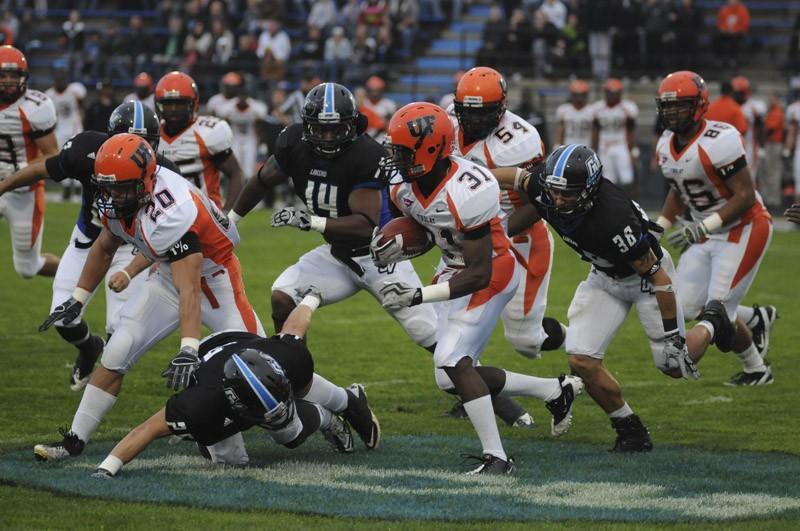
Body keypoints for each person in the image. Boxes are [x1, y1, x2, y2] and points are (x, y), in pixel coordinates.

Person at [373, 102, 583, 474]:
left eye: (403, 152)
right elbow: (418, 225)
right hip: (453, 267)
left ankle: (498, 458)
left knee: (452, 359)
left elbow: (478, 272)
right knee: (447, 375)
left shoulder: (468, 190)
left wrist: (418, 294)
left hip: (493, 273)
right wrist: (391, 241)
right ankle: (554, 390)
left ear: (431, 149)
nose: (396, 159)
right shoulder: (403, 185)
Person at [33, 133, 264, 462]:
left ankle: (334, 407)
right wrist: (78, 299)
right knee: (117, 351)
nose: (114, 195)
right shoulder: (122, 198)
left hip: (214, 280)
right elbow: (105, 246)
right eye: (108, 186)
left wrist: (188, 348)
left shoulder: (173, 210)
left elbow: (191, 289)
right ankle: (73, 441)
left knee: (265, 367)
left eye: (122, 187)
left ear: (146, 180)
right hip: (168, 274)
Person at [493, 144, 694, 452]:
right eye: (554, 191)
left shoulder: (612, 219)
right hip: (603, 276)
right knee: (581, 359)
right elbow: (511, 177)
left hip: (643, 280)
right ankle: (629, 429)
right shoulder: (547, 186)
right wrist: (466, 180)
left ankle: (713, 324)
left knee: (673, 365)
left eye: (568, 194)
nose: (558, 200)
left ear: (589, 189)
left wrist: (673, 336)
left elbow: (660, 280)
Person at [229, 83, 438, 354]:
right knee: (283, 296)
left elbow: (366, 225)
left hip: (381, 256)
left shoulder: (365, 154)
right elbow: (261, 180)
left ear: (351, 126)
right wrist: (231, 221)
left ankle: (485, 389)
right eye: (320, 129)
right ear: (306, 126)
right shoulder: (294, 142)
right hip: (338, 255)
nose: (328, 137)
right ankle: (296, 377)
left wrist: (310, 221)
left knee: (436, 342)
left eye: (336, 129)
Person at [92, 291, 381, 478]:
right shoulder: (201, 404)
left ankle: (342, 406)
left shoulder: (287, 357)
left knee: (289, 432)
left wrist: (311, 298)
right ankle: (326, 418)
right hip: (211, 366)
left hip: (249, 347)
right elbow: (147, 429)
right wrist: (107, 468)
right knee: (231, 461)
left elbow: (295, 327)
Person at [0, 101, 177, 391]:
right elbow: (44, 168)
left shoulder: (166, 173)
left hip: (131, 246)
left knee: (120, 331)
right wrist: (4, 186)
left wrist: (132, 271)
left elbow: (172, 236)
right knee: (62, 316)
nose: (134, 148)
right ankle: (89, 348)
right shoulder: (85, 151)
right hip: (90, 239)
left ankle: (95, 401)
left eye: (143, 142)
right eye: (125, 140)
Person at [654, 71, 774, 386]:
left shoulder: (721, 139)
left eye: (680, 106)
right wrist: (659, 227)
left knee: (717, 311)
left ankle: (756, 369)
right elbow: (679, 190)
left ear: (699, 105)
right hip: (705, 232)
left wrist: (700, 227)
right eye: (667, 106)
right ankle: (756, 320)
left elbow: (746, 195)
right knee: (688, 307)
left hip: (743, 227)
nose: (671, 113)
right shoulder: (666, 143)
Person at [449, 67, 566, 363]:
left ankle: (578, 341)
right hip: (471, 236)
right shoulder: (448, 121)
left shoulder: (518, 140)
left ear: (501, 107)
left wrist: (495, 231)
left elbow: (541, 202)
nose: (474, 119)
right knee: (457, 321)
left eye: (483, 112)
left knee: (525, 341)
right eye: (467, 111)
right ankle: (469, 387)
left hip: (520, 238)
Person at [0, 45, 60, 279]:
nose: (7, 81)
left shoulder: (34, 107)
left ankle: (74, 272)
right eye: (2, 76)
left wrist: (17, 174)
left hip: (23, 192)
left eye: (12, 76)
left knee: (27, 268)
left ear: (24, 78)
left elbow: (51, 154)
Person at [154, 71, 244, 211]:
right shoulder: (152, 136)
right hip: (167, 220)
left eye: (180, 103)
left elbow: (235, 174)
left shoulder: (207, 133)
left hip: (207, 220)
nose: (173, 109)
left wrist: (228, 215)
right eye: (168, 103)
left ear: (193, 103)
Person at [214, 76, 269, 177]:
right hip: (235, 137)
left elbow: (262, 114)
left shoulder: (255, 107)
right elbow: (220, 116)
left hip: (250, 138)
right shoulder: (229, 106)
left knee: (248, 168)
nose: (243, 99)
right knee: (236, 166)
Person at [591, 79, 639, 189]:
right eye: (610, 93)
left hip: (621, 145)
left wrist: (632, 149)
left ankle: (628, 203)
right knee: (608, 180)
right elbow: (595, 131)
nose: (613, 96)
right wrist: (594, 147)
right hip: (605, 146)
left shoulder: (628, 108)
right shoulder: (597, 108)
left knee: (627, 179)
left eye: (615, 93)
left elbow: (631, 130)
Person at [732, 76, 766, 178]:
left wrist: (762, 146)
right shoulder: (730, 106)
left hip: (749, 146)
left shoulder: (754, 107)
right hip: (733, 146)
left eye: (739, 92)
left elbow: (760, 127)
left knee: (750, 177)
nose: (736, 95)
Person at [556, 79, 594, 147]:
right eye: (576, 95)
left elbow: (595, 131)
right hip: (568, 145)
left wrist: (594, 147)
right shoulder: (563, 109)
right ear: (572, 95)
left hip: (586, 146)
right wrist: (558, 144)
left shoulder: (592, 110)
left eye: (581, 95)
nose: (579, 98)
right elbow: (561, 130)